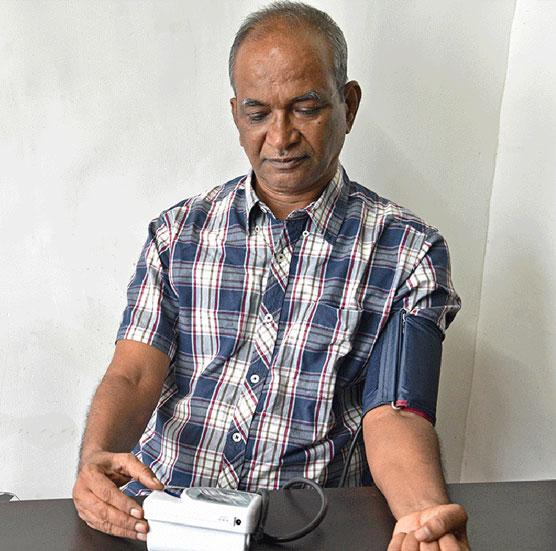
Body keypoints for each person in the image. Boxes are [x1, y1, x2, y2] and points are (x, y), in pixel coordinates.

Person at [72, 3, 469, 550]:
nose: (280, 138)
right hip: (168, 515)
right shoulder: (178, 232)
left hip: (310, 527)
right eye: (257, 114)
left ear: (348, 104)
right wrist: (94, 459)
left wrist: (423, 517)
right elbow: (134, 373)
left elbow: (395, 411)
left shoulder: (407, 250)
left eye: (306, 108)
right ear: (235, 113)